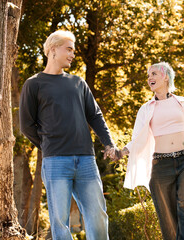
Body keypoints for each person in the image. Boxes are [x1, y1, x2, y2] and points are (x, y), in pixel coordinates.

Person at [19, 30, 119, 240]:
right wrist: (48, 145)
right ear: (53, 49)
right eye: (69, 49)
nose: (73, 54)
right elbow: (27, 125)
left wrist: (109, 144)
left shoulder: (78, 83)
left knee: (98, 216)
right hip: (55, 162)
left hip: (86, 160)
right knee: (60, 223)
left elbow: (95, 116)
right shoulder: (34, 84)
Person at [120, 62, 184, 239]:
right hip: (161, 164)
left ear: (165, 76)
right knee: (165, 213)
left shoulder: (182, 102)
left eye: (154, 74)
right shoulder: (146, 109)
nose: (149, 78)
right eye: (148, 75)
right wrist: (121, 152)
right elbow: (137, 138)